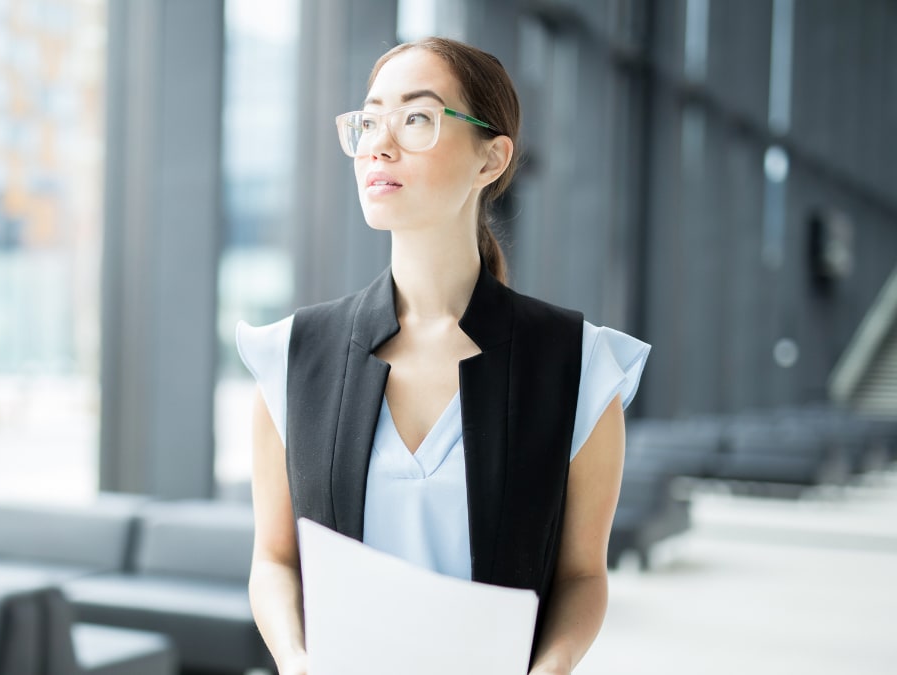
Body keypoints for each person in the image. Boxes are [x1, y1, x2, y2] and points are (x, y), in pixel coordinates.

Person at [236, 36, 650, 675]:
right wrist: (295, 660)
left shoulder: (578, 366)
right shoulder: (294, 356)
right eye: (370, 119)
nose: (381, 142)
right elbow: (274, 561)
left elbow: (581, 576)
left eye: (418, 118)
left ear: (492, 158)